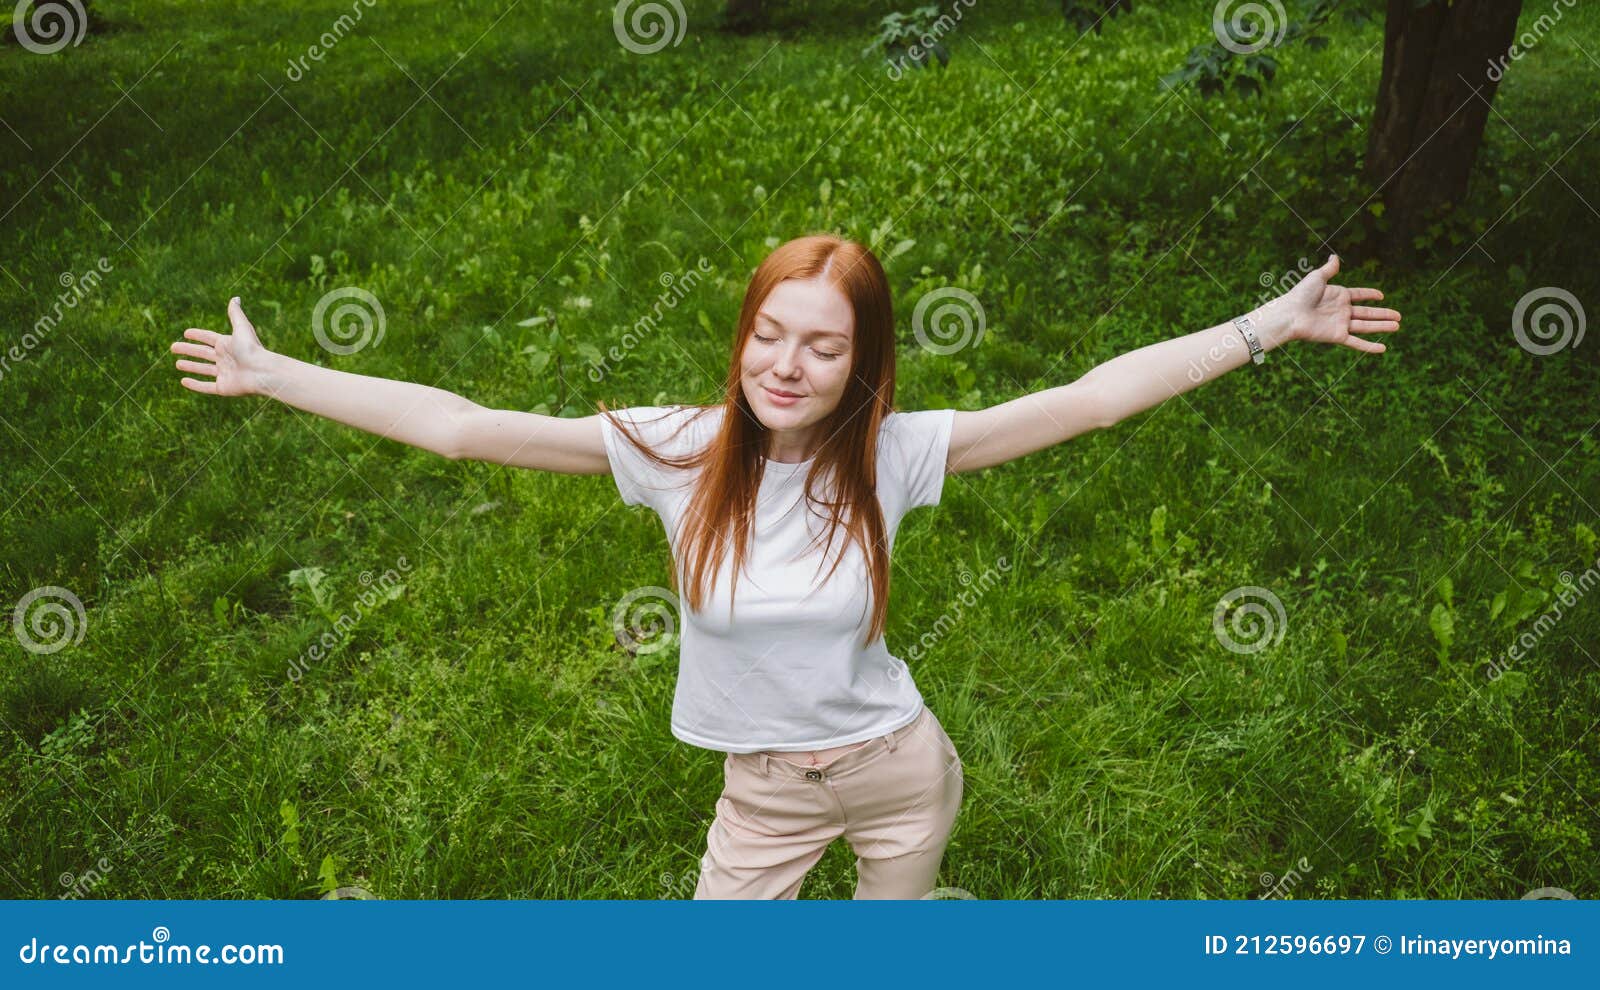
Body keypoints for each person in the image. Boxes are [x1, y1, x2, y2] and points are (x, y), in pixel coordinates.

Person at [169, 233, 1400, 898]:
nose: (785, 364)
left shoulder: (896, 455)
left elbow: (1088, 399)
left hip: (901, 771)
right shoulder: (675, 449)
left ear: (861, 365)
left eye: (822, 345)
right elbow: (459, 422)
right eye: (767, 333)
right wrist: (280, 374)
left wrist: (1265, 329)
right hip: (762, 791)